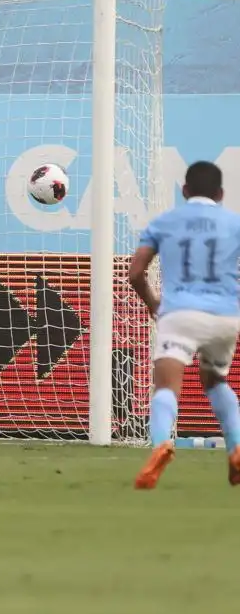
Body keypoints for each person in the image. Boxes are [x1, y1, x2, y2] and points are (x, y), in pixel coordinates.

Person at [127, 160, 240, 489]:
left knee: (166, 386)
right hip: (225, 317)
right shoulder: (234, 223)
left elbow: (136, 273)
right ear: (220, 194)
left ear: (184, 190)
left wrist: (153, 305)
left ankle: (161, 444)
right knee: (216, 379)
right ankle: (235, 447)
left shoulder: (164, 222)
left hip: (180, 314)